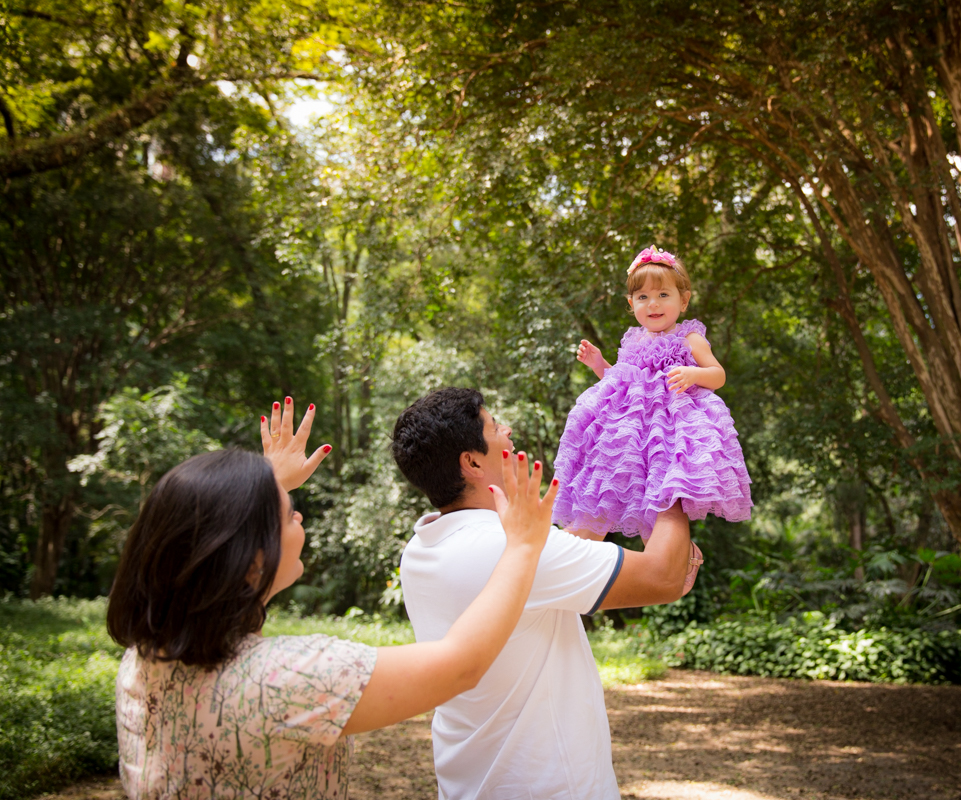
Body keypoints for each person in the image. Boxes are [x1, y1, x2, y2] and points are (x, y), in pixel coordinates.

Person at [106, 397, 557, 800]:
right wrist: (521, 546)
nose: (297, 513)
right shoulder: (289, 679)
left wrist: (262, 487)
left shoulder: (141, 662)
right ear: (250, 563)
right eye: (285, 514)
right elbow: (462, 665)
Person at [392, 387, 696, 799]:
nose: (507, 430)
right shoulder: (507, 548)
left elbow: (564, 552)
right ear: (472, 462)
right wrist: (672, 461)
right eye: (495, 426)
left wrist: (614, 462)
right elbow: (662, 576)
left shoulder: (422, 547)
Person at [554, 245, 753, 574]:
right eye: (643, 297)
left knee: (661, 498)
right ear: (631, 304)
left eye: (663, 294)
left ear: (683, 300)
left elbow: (718, 375)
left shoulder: (689, 338)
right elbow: (619, 381)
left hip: (669, 432)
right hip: (631, 434)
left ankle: (679, 561)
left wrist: (693, 374)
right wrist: (598, 363)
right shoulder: (633, 341)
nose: (654, 304)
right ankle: (577, 558)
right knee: (613, 489)